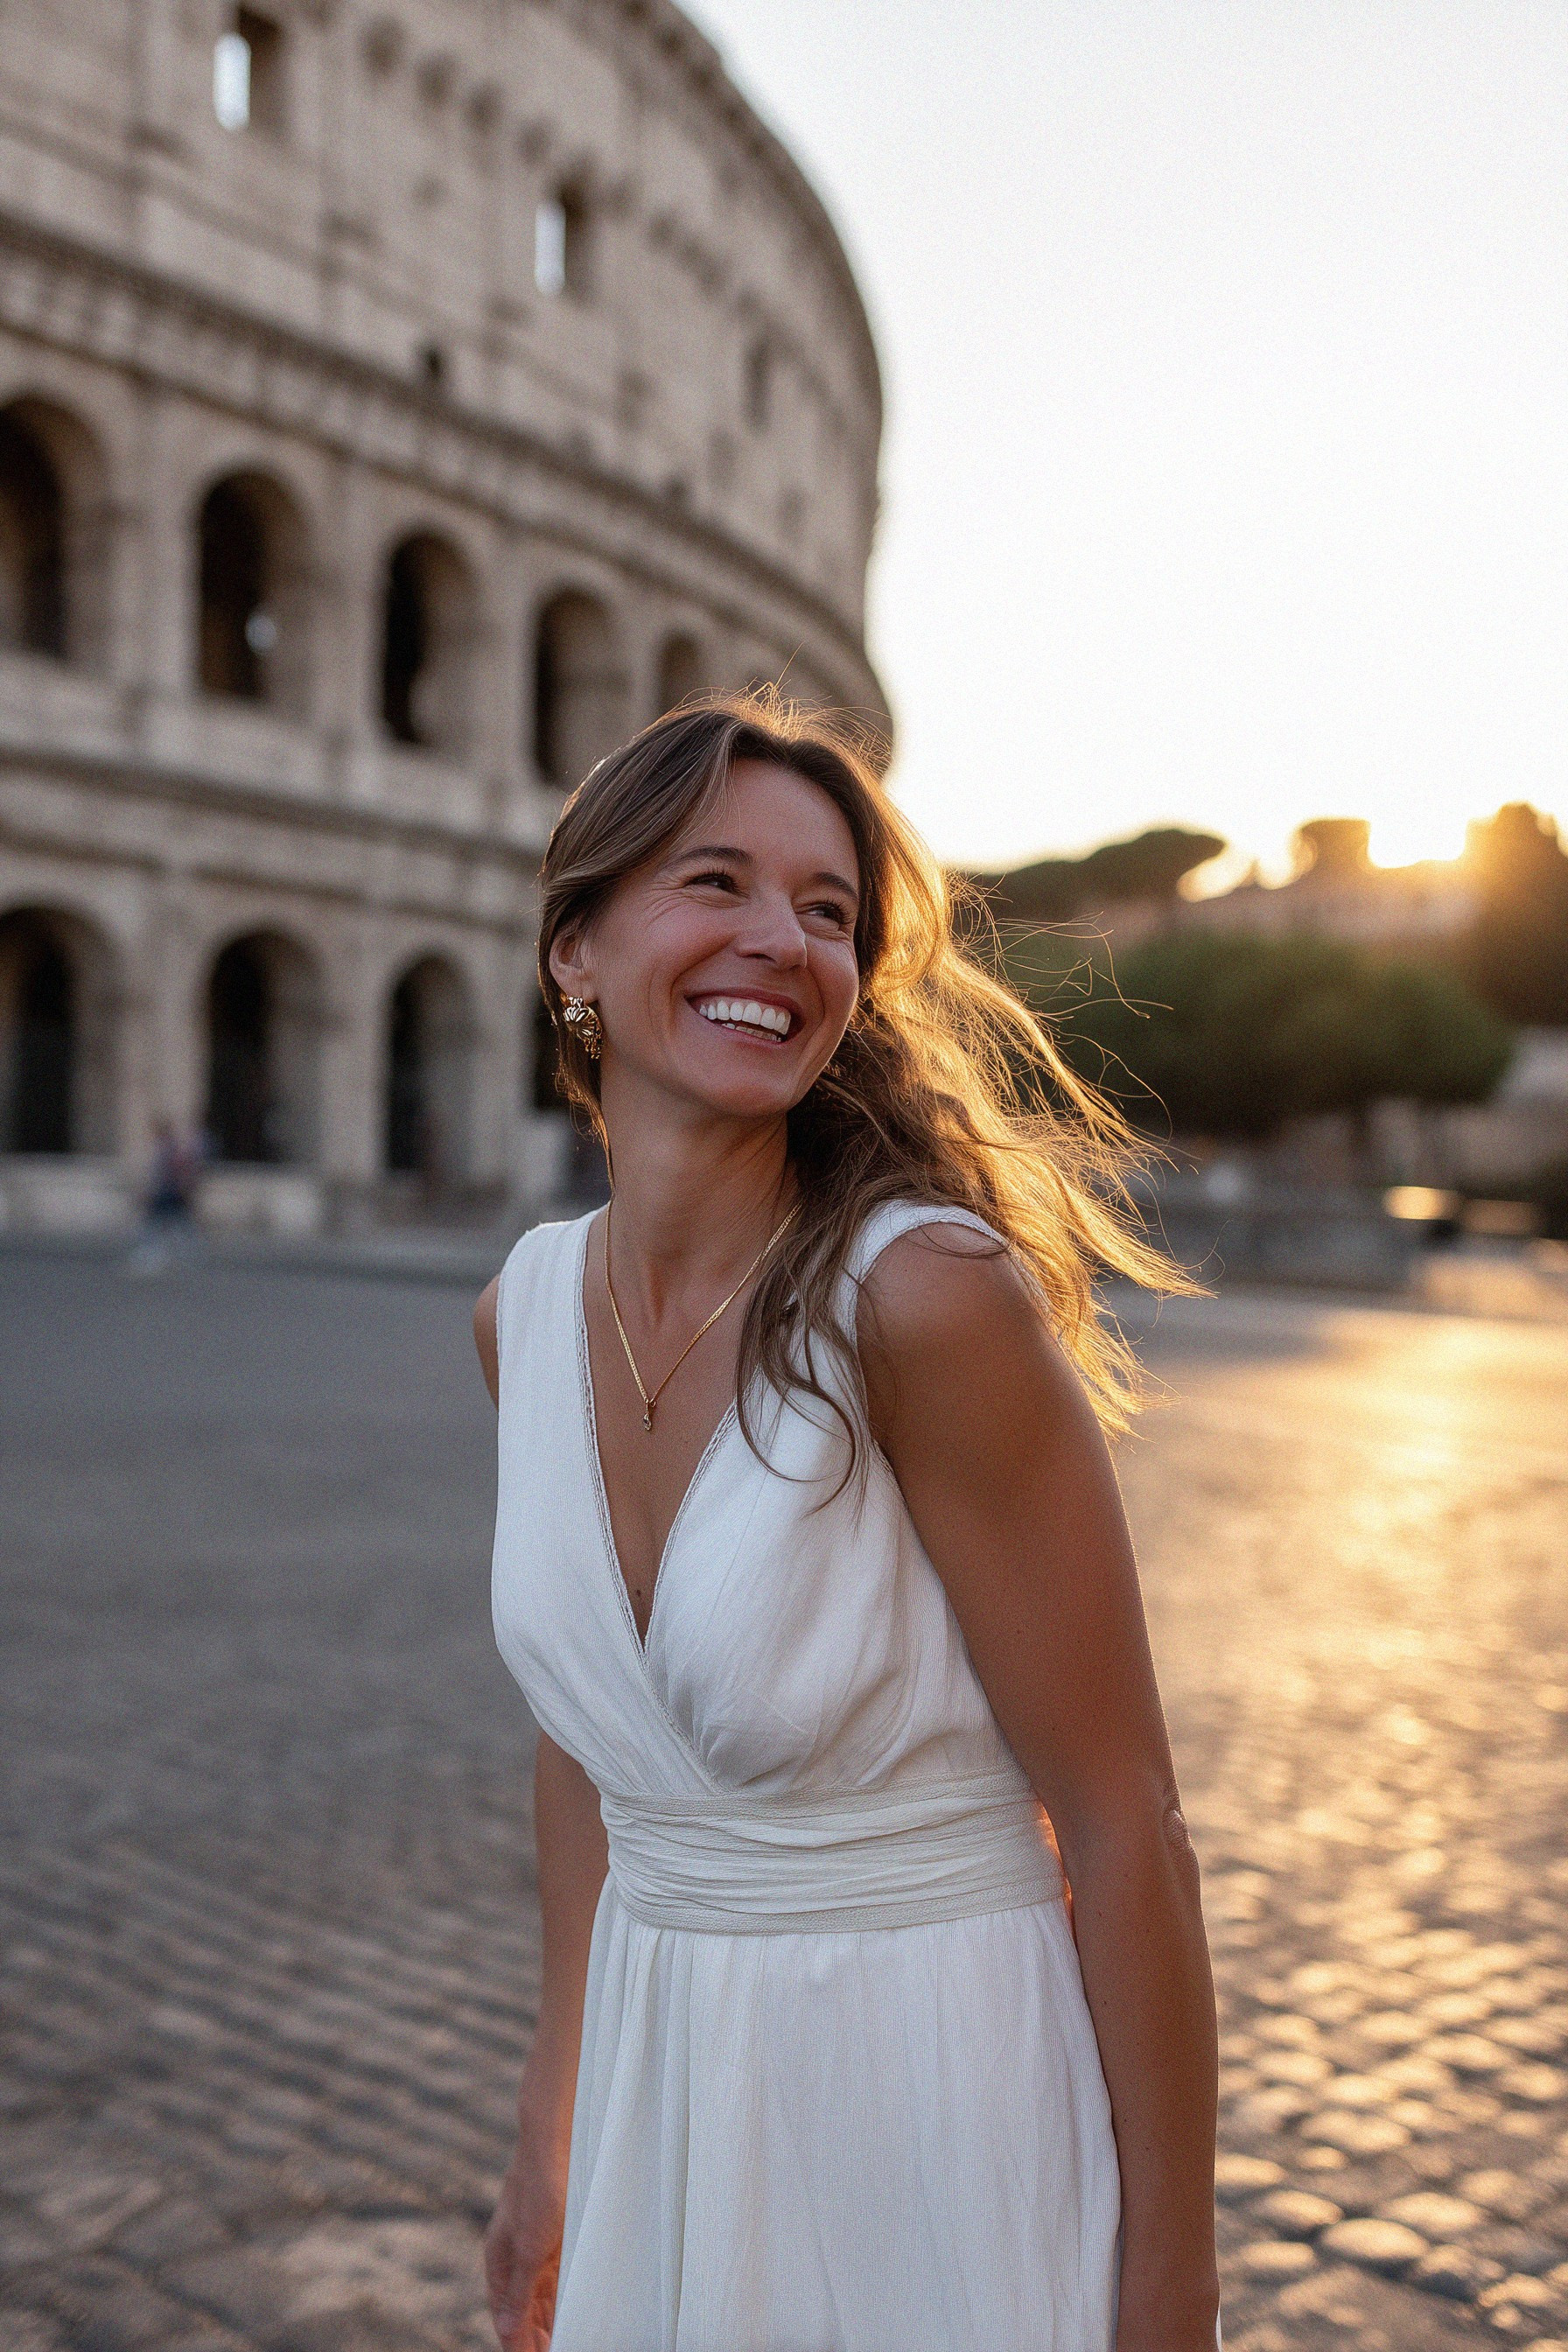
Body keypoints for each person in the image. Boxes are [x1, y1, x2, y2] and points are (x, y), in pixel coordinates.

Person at [474, 695, 1220, 2352]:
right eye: (717, 882)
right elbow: (599, 1745)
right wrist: (554, 2122)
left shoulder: (926, 1299)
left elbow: (1125, 1819)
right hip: (666, 2082)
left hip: (931, 2079)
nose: (785, 942)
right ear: (575, 948)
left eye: (829, 912)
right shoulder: (520, 1312)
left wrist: (1174, 2296)